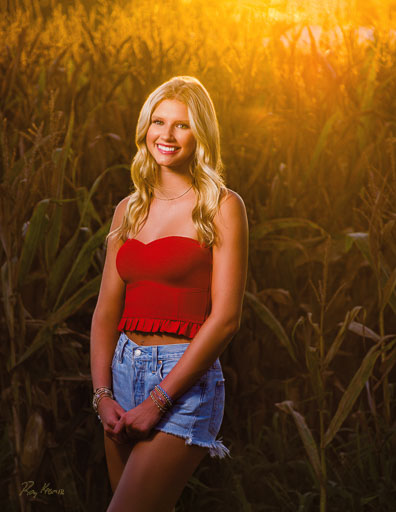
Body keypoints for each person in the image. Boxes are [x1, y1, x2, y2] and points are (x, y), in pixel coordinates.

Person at [90, 76, 248, 512]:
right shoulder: (129, 208)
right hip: (121, 375)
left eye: (182, 125)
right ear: (145, 129)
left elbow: (226, 319)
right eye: (159, 122)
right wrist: (102, 395)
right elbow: (106, 312)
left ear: (201, 133)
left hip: (182, 380)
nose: (167, 135)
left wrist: (159, 399)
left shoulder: (222, 206)